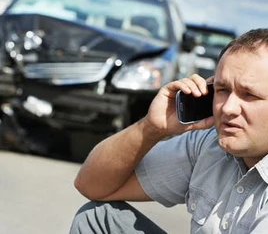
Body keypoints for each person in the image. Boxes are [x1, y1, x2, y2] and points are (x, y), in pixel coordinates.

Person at [69, 28, 268, 233]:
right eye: (223, 90)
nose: (227, 108)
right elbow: (91, 185)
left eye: (249, 95)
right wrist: (151, 128)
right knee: (96, 219)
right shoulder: (207, 144)